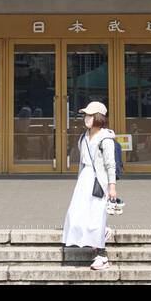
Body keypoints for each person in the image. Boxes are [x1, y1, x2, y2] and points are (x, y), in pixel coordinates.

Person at [61, 101, 117, 270]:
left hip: (98, 181)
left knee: (96, 215)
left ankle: (102, 255)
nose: (86, 118)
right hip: (85, 179)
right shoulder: (84, 136)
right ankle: (101, 233)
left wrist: (112, 186)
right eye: (85, 115)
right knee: (77, 212)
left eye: (90, 115)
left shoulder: (105, 138)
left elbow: (110, 164)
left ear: (98, 117)